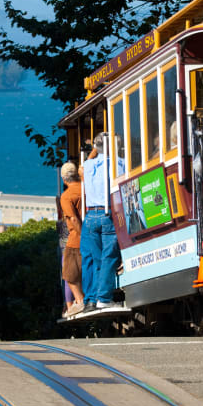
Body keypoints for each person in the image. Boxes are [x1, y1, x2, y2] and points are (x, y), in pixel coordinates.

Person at [80, 132, 124, 311]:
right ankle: (104, 298)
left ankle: (92, 299)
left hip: (90, 216)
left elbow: (91, 158)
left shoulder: (87, 165)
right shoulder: (118, 164)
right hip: (107, 214)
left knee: (95, 259)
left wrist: (97, 148)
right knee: (109, 257)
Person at [59, 162, 85, 317]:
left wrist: (82, 235)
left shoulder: (67, 196)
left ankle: (79, 301)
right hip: (94, 233)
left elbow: (73, 219)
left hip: (77, 238)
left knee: (69, 273)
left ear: (64, 179)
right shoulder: (86, 188)